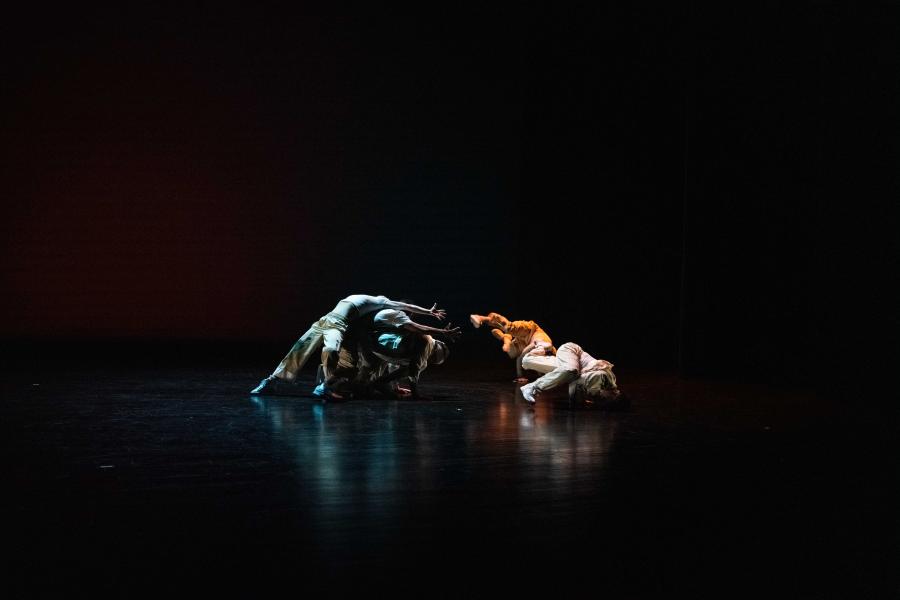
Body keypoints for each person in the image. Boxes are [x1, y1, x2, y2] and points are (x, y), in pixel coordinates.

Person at [251, 294, 447, 395]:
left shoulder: (376, 313)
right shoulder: (381, 302)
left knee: (331, 350)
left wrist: (428, 313)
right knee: (300, 349)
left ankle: (325, 386)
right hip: (327, 321)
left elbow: (405, 310)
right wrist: (429, 313)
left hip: (338, 325)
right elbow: (405, 307)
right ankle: (272, 381)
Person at [323, 308, 458, 399]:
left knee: (365, 388)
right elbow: (415, 368)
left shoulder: (419, 344)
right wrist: (416, 395)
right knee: (360, 383)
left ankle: (373, 383)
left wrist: (396, 387)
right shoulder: (427, 341)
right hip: (373, 344)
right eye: (432, 359)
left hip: (379, 348)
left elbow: (396, 365)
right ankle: (329, 382)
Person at [518, 342, 620, 405]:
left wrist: (578, 401)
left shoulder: (601, 391)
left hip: (570, 364)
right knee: (571, 371)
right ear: (614, 394)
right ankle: (531, 387)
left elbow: (575, 385)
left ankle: (539, 349)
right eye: (608, 399)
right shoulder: (603, 377)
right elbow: (577, 381)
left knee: (527, 362)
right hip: (572, 350)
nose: (604, 398)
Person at [470, 312, 554, 381]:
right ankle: (481, 318)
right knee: (509, 328)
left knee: (512, 353)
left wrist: (521, 376)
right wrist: (520, 375)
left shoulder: (544, 362)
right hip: (531, 331)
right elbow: (521, 357)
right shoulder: (541, 345)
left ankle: (504, 337)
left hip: (525, 343)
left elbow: (520, 358)